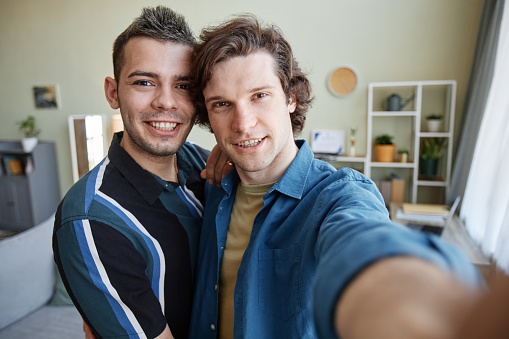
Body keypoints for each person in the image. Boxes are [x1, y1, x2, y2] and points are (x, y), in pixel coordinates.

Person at [189, 15, 483, 338]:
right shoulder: (214, 185)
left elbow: (362, 244)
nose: (242, 123)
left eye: (259, 96)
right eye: (222, 104)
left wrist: (415, 299)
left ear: (291, 98)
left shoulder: (337, 195)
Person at [53, 6, 210, 339]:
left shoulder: (207, 166)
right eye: (144, 82)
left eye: (183, 86)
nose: (166, 102)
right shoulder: (92, 217)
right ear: (113, 92)